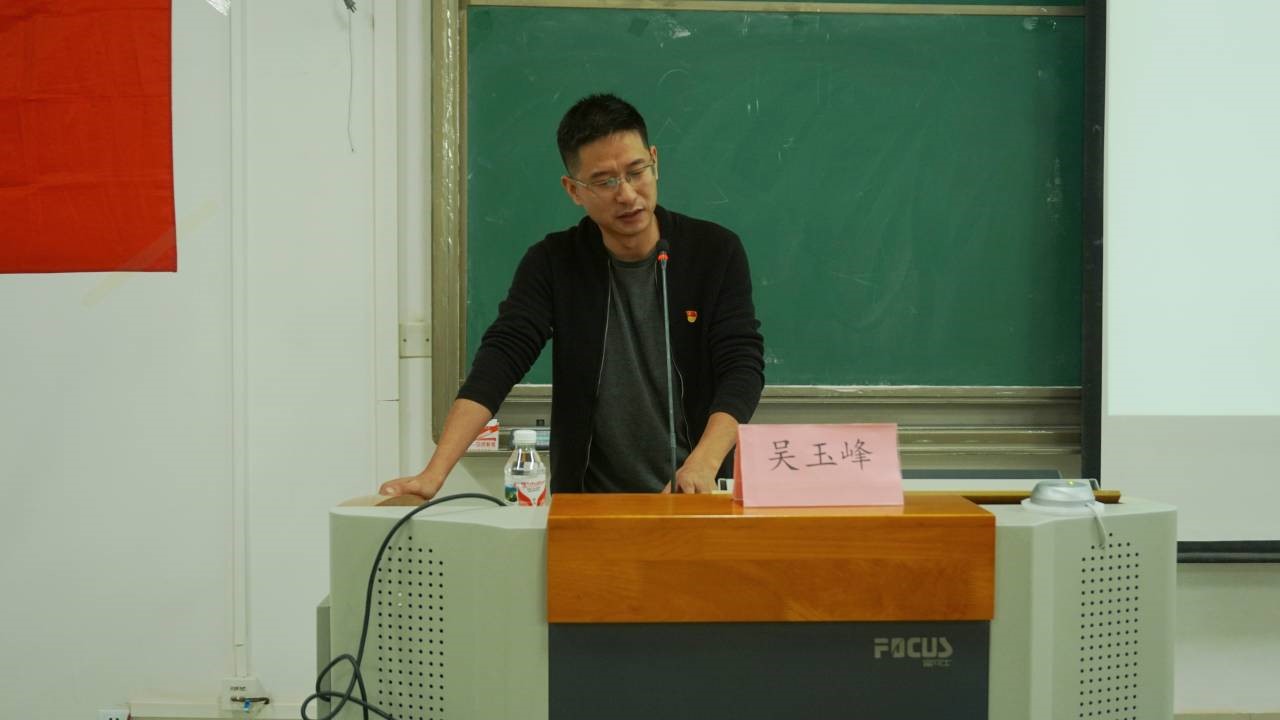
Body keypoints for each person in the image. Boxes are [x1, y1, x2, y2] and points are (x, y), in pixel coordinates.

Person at [380, 93, 764, 499]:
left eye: (636, 171)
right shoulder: (553, 262)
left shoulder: (713, 251)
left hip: (695, 495)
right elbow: (501, 359)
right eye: (605, 181)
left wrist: (704, 461)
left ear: (655, 160)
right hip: (587, 503)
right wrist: (434, 474)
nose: (627, 194)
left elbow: (742, 365)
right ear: (574, 190)